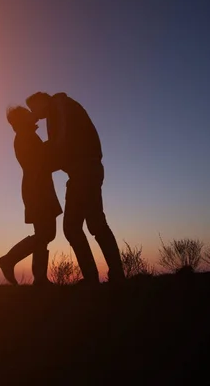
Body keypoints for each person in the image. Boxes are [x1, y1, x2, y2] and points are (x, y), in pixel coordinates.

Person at [26, 92, 125, 284]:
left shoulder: (59, 104)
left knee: (79, 226)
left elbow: (61, 144)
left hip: (84, 171)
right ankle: (110, 276)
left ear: (41, 100)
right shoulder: (59, 109)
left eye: (34, 109)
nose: (35, 115)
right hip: (84, 171)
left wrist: (39, 156)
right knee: (88, 224)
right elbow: (62, 147)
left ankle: (101, 277)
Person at [0, 105, 62, 286]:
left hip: (39, 187)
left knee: (44, 233)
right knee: (46, 233)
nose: (31, 114)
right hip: (37, 189)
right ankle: (9, 260)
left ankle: (40, 279)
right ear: (21, 120)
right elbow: (40, 162)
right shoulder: (25, 137)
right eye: (27, 113)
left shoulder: (27, 136)